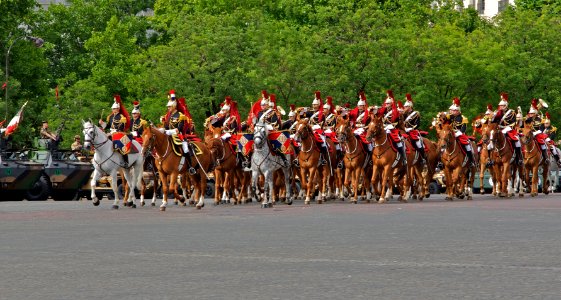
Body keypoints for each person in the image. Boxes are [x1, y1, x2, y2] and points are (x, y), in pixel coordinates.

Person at [162, 90, 195, 174]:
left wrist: (168, 132)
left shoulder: (181, 116)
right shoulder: (167, 116)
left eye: (169, 107)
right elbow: (166, 127)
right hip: (168, 136)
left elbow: (179, 129)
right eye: (168, 107)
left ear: (174, 106)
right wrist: (163, 128)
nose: (168, 108)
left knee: (186, 149)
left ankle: (190, 166)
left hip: (178, 136)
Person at [491, 92, 522, 165]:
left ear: (506, 105)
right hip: (499, 129)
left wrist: (506, 128)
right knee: (491, 140)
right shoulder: (498, 113)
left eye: (502, 106)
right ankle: (490, 159)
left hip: (509, 129)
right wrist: (494, 116)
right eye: (500, 106)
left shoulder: (512, 112)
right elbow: (493, 121)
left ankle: (518, 158)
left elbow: (514, 122)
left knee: (517, 141)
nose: (500, 107)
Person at [99, 95, 130, 166]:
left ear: (118, 109)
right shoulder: (110, 117)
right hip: (110, 132)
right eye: (113, 109)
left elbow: (121, 128)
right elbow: (108, 126)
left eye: (115, 109)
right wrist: (102, 123)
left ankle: (125, 161)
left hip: (119, 133)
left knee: (121, 144)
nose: (113, 110)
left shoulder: (122, 117)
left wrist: (112, 133)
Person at [378, 90, 406, 166]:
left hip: (392, 128)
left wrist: (389, 124)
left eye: (388, 103)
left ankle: (403, 158)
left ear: (391, 104)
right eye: (386, 103)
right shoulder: (383, 111)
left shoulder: (395, 111)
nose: (386, 104)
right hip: (383, 128)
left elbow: (396, 122)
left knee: (399, 142)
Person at [446, 97, 476, 167]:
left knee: (467, 145)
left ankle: (471, 161)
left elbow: (463, 129)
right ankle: (440, 162)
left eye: (454, 111)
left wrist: (456, 134)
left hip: (459, 134)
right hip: (450, 134)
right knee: (443, 144)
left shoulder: (463, 118)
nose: (452, 112)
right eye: (452, 110)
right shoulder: (449, 117)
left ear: (458, 111)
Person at [402, 93, 427, 166]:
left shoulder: (415, 113)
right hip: (404, 130)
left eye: (406, 106)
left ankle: (423, 158)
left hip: (412, 131)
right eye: (404, 106)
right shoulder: (403, 114)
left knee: (418, 142)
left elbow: (418, 124)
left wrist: (410, 128)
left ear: (410, 107)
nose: (404, 108)